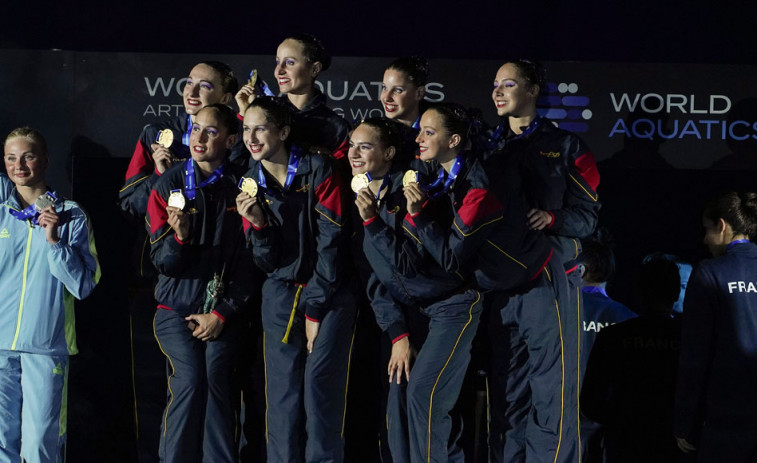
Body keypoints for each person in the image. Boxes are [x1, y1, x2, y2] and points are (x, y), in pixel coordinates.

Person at [397, 103, 553, 462]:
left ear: (454, 140)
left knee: (436, 394)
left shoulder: (480, 187)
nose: (418, 139)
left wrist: (418, 217)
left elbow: (452, 259)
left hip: (514, 286)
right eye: (419, 130)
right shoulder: (443, 172)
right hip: (475, 291)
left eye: (429, 133)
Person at [118, 60, 239, 463]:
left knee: (218, 384)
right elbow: (129, 201)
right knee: (181, 384)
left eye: (205, 86)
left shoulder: (239, 175)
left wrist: (223, 309)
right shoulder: (159, 139)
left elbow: (248, 256)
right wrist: (159, 177)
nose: (191, 90)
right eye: (188, 82)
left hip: (222, 302)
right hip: (167, 290)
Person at [485, 59, 600, 463]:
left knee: (553, 390)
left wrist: (553, 219)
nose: (498, 92)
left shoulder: (568, 146)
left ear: (533, 90)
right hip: (500, 281)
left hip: (549, 277)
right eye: (495, 85)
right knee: (506, 392)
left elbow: (588, 218)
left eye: (509, 84)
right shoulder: (486, 145)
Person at [235, 96, 355, 463]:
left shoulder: (318, 169)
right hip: (280, 297)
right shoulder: (249, 182)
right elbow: (265, 261)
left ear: (284, 131)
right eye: (245, 129)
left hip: (329, 293)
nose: (251, 137)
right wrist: (258, 224)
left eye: (260, 128)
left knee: (321, 397)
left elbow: (332, 243)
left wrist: (316, 308)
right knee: (282, 400)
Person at [146, 104, 253, 463]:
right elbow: (161, 262)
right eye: (195, 130)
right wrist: (180, 239)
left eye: (211, 131)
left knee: (217, 381)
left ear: (230, 139)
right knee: (190, 380)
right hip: (175, 310)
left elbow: (250, 264)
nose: (200, 138)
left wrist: (222, 313)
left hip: (223, 314)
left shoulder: (242, 187)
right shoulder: (168, 184)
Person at [0, 127, 100, 463]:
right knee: (2, 444)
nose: (19, 165)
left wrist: (54, 241)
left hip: (46, 347)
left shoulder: (71, 215)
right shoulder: (1, 211)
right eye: (11, 158)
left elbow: (84, 285)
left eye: (27, 156)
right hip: (0, 348)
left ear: (45, 159)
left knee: (40, 445)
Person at [675, 191, 757, 462]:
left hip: (727, 417)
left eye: (707, 230)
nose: (704, 240)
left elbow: (695, 355)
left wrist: (685, 422)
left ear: (722, 226)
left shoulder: (710, 272)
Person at [581, 257, 682, 463]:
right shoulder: (690, 338)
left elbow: (591, 400)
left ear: (638, 292)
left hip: (625, 442)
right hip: (674, 442)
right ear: (676, 293)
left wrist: (620, 420)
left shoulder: (613, 336)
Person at [235, 34, 350, 158]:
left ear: (315, 69)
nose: (278, 71)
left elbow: (344, 173)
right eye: (278, 62)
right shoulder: (267, 113)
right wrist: (245, 114)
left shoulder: (337, 128)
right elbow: (240, 163)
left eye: (290, 62)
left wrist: (327, 160)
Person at [577, 230, 636, 462]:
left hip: (560, 416)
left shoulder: (557, 312)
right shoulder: (628, 318)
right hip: (609, 421)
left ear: (580, 269)